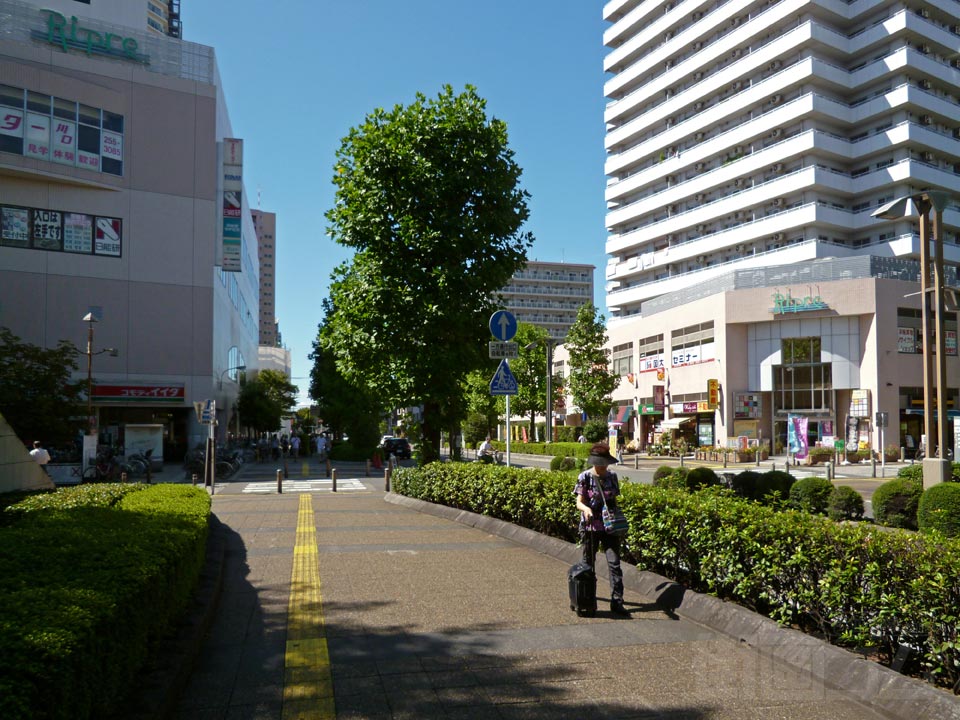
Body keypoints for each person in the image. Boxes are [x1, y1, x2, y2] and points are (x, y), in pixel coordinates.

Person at [574, 442, 628, 616]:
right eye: (600, 463)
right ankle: (587, 600)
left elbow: (614, 501)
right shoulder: (585, 477)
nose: (602, 466)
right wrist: (587, 509)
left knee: (614, 564)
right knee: (588, 565)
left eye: (605, 463)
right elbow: (579, 502)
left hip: (609, 527)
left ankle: (617, 602)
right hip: (591, 526)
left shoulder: (612, 477)